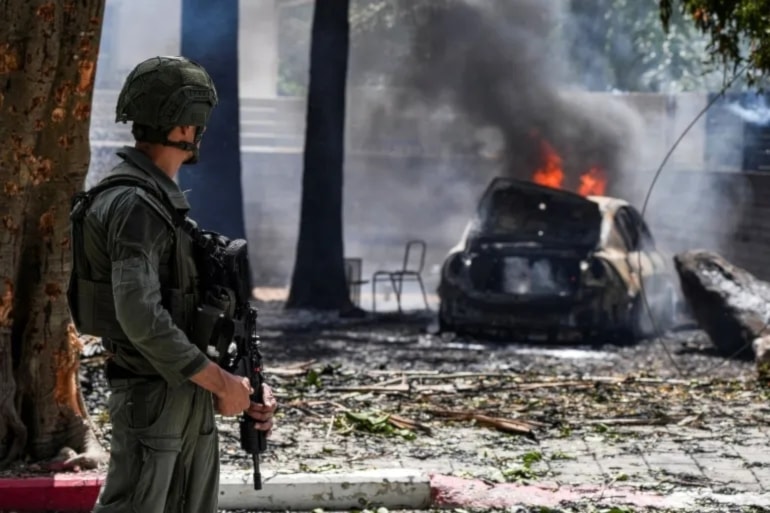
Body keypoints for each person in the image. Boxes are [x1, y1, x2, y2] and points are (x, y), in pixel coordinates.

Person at [69, 56, 277, 513]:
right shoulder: (136, 205)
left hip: (183, 392)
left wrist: (243, 382)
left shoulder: (159, 204)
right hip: (155, 397)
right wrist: (222, 382)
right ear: (187, 127)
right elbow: (141, 316)